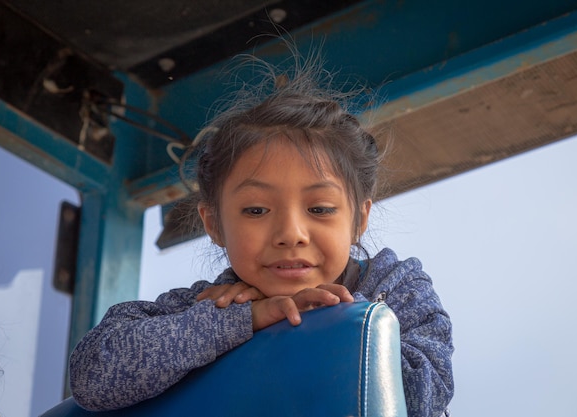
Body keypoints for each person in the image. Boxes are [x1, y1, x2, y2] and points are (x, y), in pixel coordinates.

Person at [68, 54, 454, 417]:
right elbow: (92, 377)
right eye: (256, 210)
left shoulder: (397, 288)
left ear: (359, 219)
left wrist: (323, 318)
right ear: (214, 224)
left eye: (319, 209)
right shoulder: (204, 308)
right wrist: (238, 321)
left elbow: (421, 396)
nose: (290, 233)